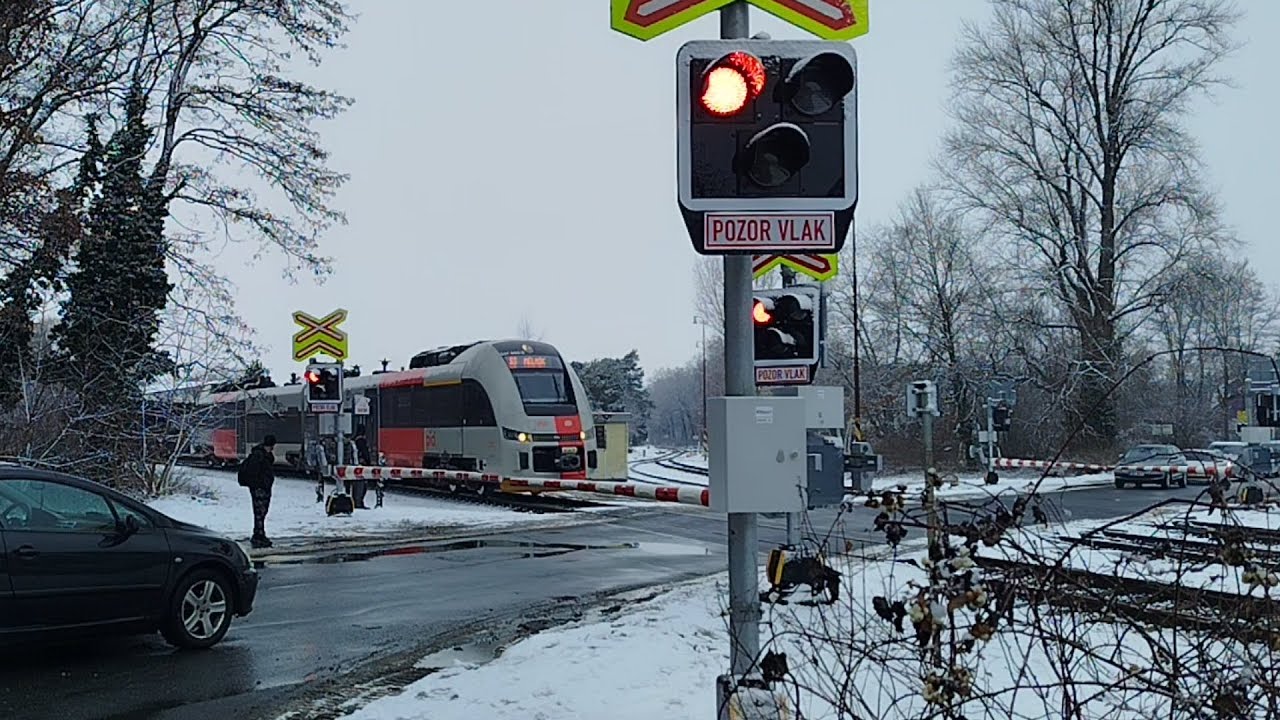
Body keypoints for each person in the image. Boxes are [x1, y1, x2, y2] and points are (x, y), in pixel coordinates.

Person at [240, 435, 277, 548]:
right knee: (259, 513)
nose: (272, 448)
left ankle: (260, 534)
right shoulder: (258, 456)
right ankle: (258, 536)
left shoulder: (264, 455)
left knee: (261, 512)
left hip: (263, 488)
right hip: (259, 488)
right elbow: (254, 472)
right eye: (271, 446)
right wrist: (259, 485)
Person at [352, 432, 372, 509]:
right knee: (361, 486)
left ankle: (356, 501)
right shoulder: (361, 441)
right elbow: (365, 453)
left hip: (356, 466)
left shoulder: (354, 442)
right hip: (362, 466)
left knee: (357, 485)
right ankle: (358, 502)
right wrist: (368, 463)